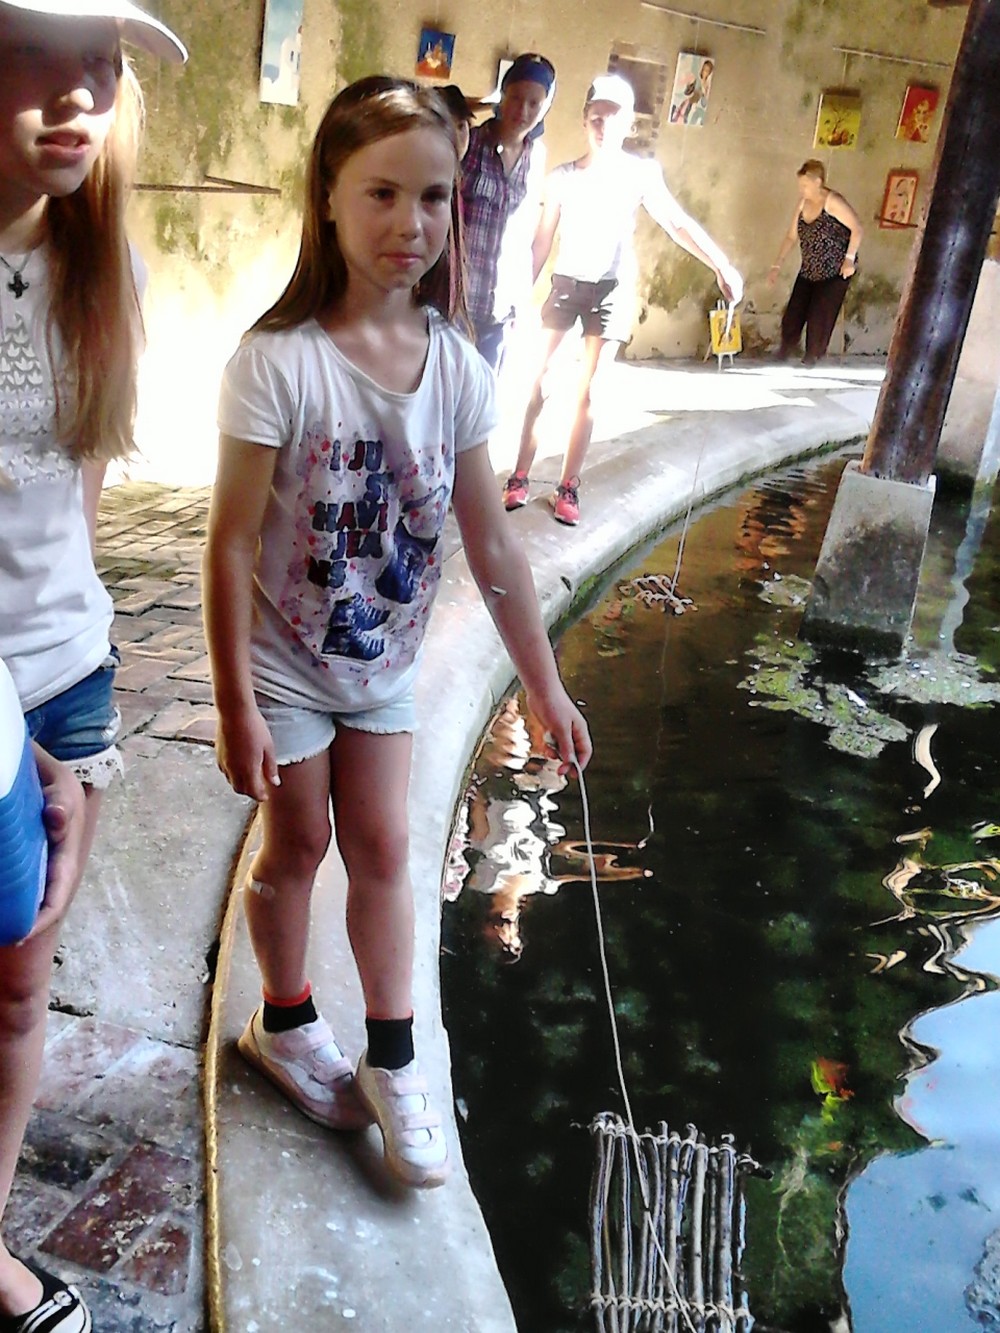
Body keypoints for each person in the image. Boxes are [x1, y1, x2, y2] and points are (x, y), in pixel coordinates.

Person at [203, 76, 592, 1191]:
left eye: (431, 197)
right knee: (298, 845)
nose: (409, 223)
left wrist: (546, 685)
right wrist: (233, 702)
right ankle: (283, 1022)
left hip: (382, 663)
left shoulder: (457, 366)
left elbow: (494, 540)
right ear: (327, 195)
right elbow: (231, 542)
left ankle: (394, 1054)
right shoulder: (277, 362)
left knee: (384, 849)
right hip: (284, 663)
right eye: (380, 192)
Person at [0, 0, 186, 1326]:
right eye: (36, 57)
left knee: (21, 992)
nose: (76, 96)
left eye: (101, 68)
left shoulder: (102, 261)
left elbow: (81, 497)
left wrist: (70, 673)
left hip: (67, 675)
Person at [502, 74, 743, 526]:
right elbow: (542, 242)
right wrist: (518, 296)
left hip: (611, 289)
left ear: (629, 123)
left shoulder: (641, 174)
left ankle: (568, 486)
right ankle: (519, 475)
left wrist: (721, 265)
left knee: (591, 390)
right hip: (567, 285)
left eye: (613, 119)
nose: (603, 126)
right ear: (584, 119)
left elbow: (676, 223)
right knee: (542, 381)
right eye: (596, 117)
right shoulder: (562, 178)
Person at [459, 52, 556, 369]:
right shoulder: (468, 144)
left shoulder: (536, 158)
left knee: (485, 397)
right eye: (515, 98)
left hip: (499, 311)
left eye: (534, 103)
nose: (523, 111)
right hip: (455, 305)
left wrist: (522, 302)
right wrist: (485, 103)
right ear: (502, 95)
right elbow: (435, 103)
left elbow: (524, 233)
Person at [768, 159, 863, 367]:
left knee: (820, 315)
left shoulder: (833, 202)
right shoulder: (803, 204)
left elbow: (857, 228)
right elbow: (791, 236)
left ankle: (812, 355)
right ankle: (785, 348)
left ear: (818, 182)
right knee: (794, 312)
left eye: (805, 185)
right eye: (800, 185)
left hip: (835, 270)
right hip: (809, 268)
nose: (801, 189)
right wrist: (777, 265)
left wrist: (849, 260)